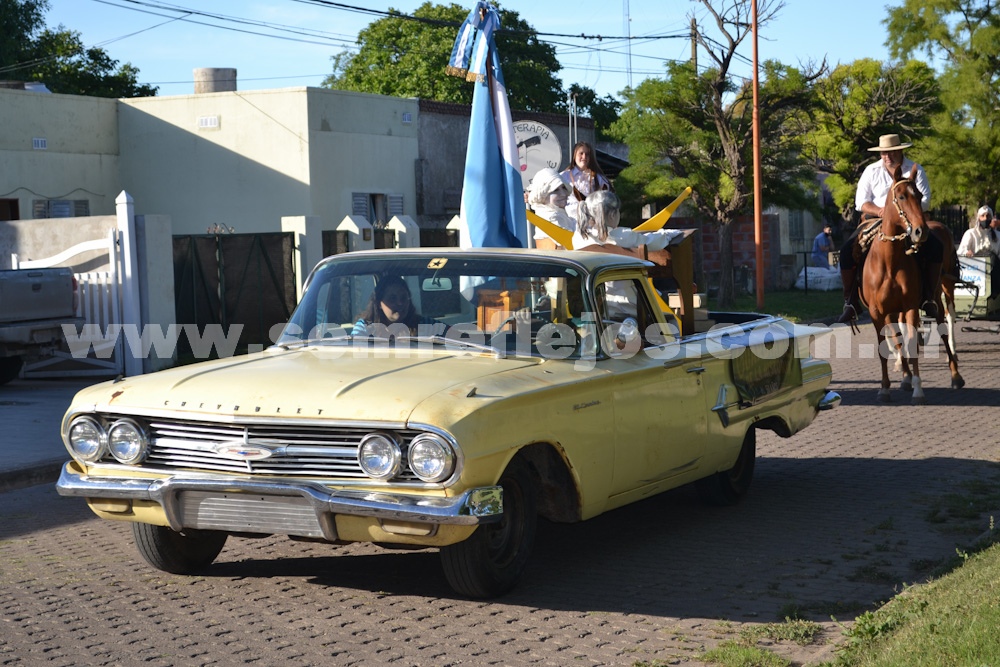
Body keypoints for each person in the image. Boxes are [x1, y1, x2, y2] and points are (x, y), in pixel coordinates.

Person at [836, 133, 943, 323]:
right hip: (875, 219)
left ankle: (928, 297)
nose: (887, 156)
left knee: (935, 247)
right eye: (884, 153)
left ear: (900, 150)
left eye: (891, 152)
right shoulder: (871, 171)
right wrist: (881, 211)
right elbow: (861, 202)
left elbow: (925, 200)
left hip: (909, 219)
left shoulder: (915, 169)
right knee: (846, 251)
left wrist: (906, 210)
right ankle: (851, 302)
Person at [572, 190, 682, 251]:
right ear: (612, 215)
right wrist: (668, 234)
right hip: (624, 291)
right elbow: (651, 242)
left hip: (590, 291)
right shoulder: (623, 236)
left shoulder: (578, 238)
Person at [351, 275, 436, 336]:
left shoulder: (423, 324)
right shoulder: (365, 327)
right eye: (392, 298)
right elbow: (353, 349)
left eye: (403, 298)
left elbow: (449, 334)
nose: (400, 303)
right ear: (379, 303)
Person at [561, 142, 611, 222]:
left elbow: (607, 198)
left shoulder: (599, 178)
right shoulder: (564, 176)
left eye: (587, 154)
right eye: (581, 153)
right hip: (570, 221)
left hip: (591, 222)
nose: (584, 157)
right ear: (574, 155)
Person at [527, 167, 576, 249]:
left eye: (564, 188)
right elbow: (574, 247)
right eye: (556, 190)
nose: (563, 194)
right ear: (542, 195)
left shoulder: (557, 214)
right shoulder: (552, 217)